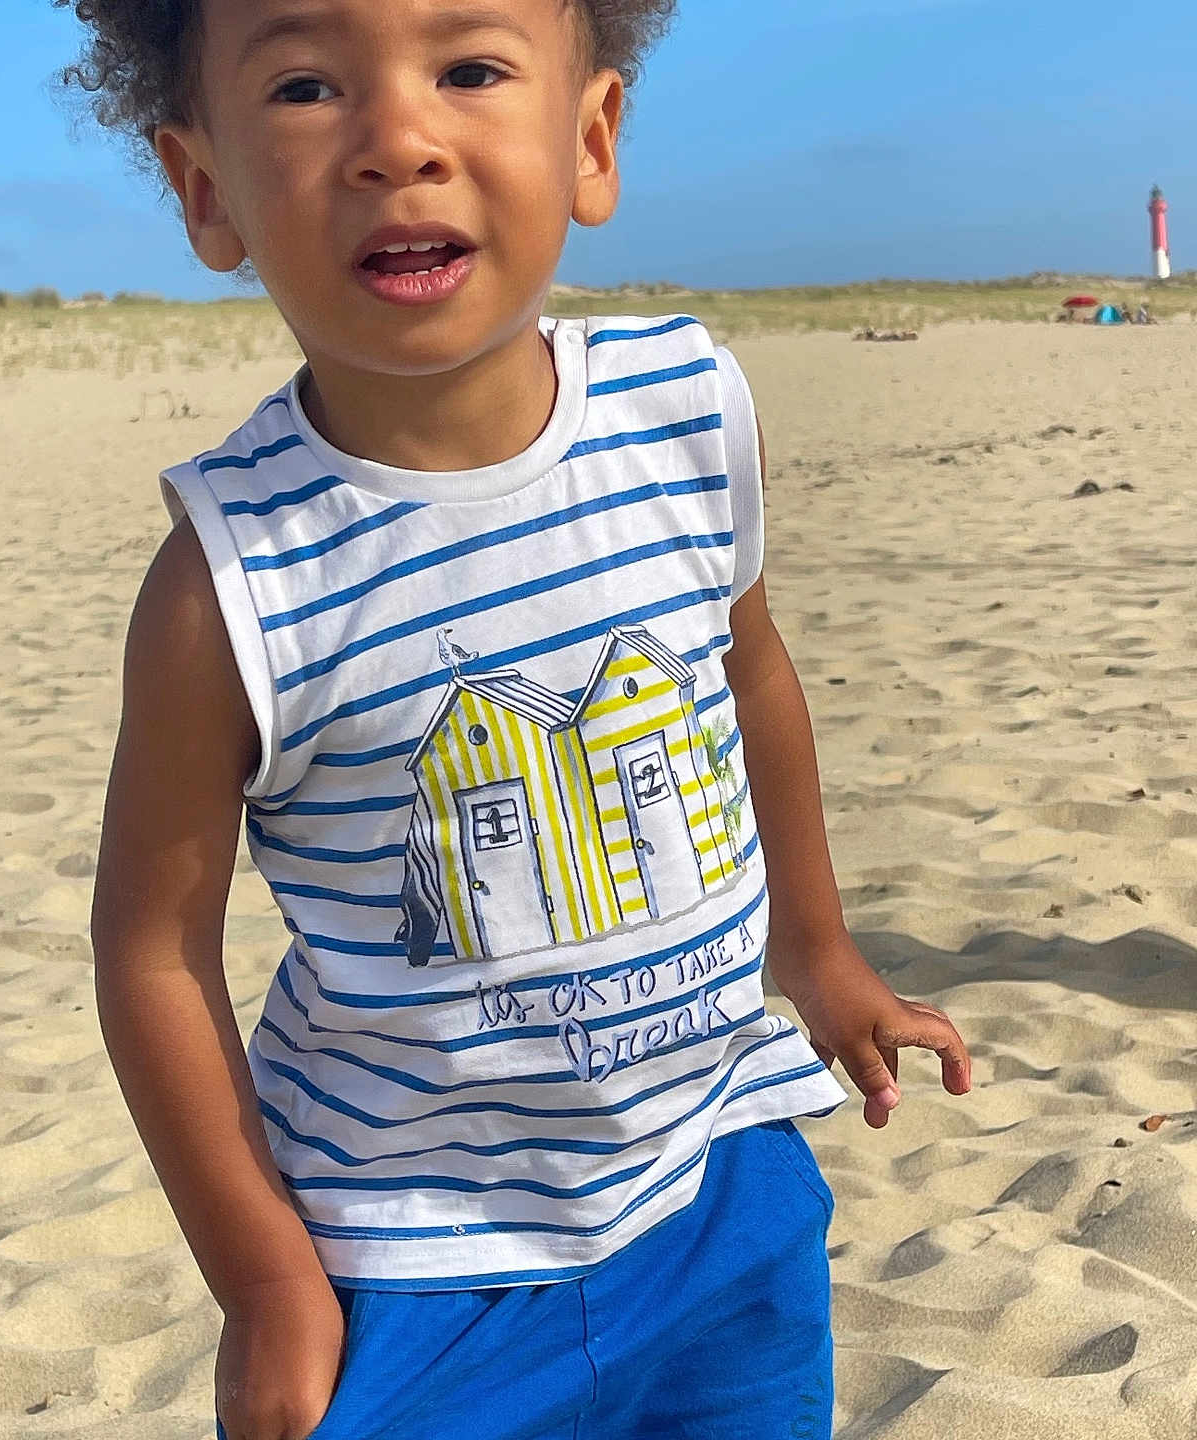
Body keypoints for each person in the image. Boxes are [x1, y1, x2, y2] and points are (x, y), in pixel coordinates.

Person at [70, 2, 974, 1437]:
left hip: (715, 1183)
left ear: (591, 140)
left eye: (470, 69)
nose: (397, 142)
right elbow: (153, 950)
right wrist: (265, 1285)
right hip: (410, 1267)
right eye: (307, 87)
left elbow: (747, 681)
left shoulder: (688, 412)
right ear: (206, 189)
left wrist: (819, 952)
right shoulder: (232, 578)